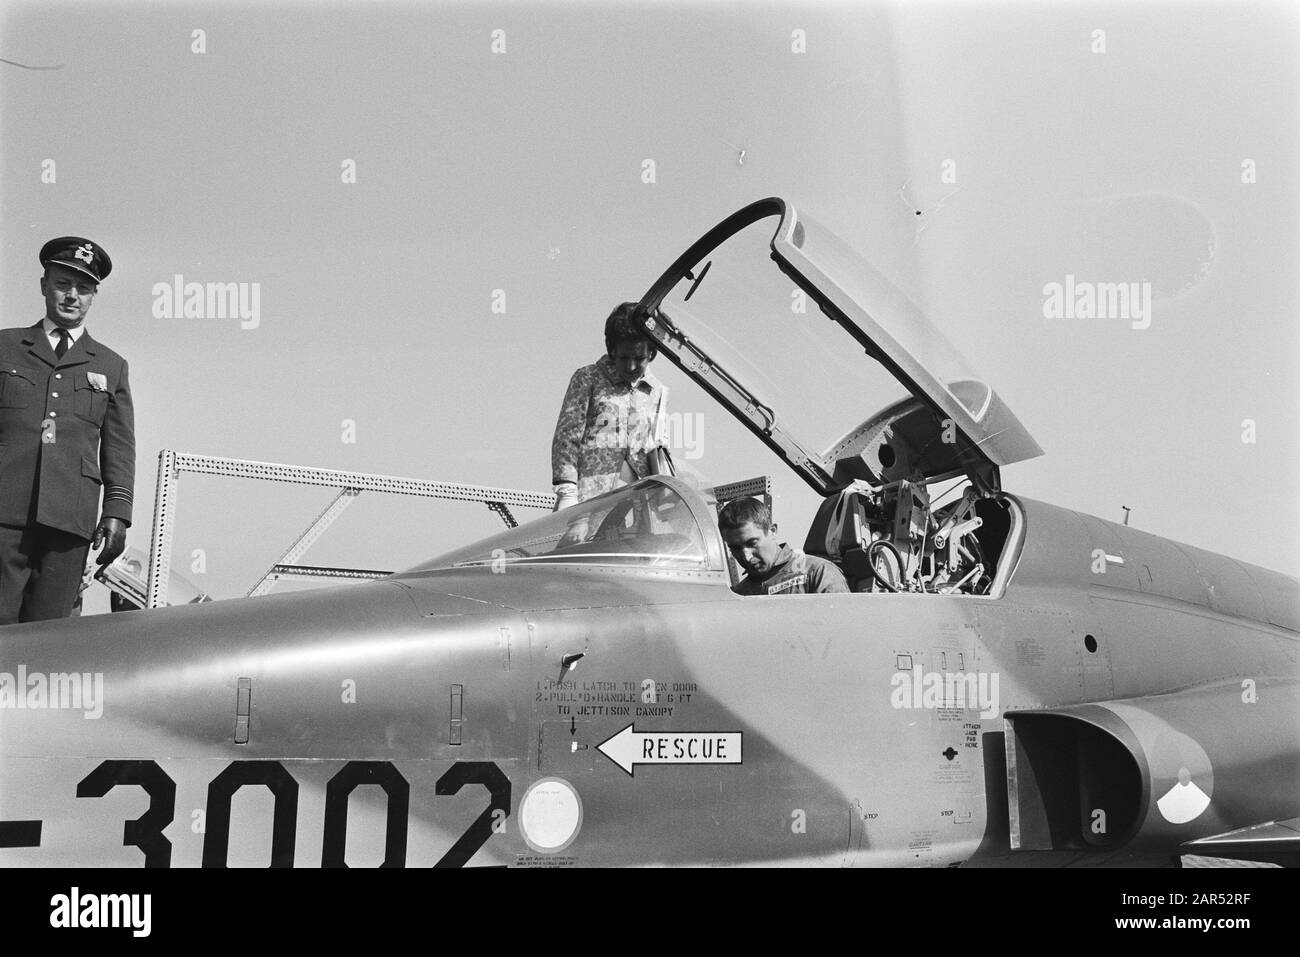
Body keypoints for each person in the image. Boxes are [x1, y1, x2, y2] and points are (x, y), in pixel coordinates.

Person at [0, 237, 134, 625]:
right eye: (63, 284)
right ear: (44, 285)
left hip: (69, 524)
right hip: (4, 517)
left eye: (84, 288)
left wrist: (118, 513)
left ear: (94, 296)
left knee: (50, 638)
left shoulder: (111, 366)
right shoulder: (5, 347)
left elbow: (119, 449)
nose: (72, 296)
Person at [551, 302, 668, 509]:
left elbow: (657, 449)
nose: (631, 366)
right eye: (624, 357)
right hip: (589, 502)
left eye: (639, 358)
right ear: (612, 351)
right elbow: (567, 437)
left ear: (651, 353)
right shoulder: (588, 378)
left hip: (640, 506)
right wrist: (567, 491)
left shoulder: (656, 391)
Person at [719, 497, 850, 596]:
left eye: (752, 543)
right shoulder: (739, 595)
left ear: (773, 531)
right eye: (735, 548)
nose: (746, 557)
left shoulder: (818, 572)